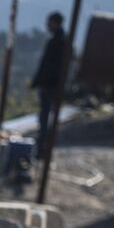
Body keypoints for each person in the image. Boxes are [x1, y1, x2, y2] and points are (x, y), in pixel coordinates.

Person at [31, 11, 67, 160]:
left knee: (45, 119)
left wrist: (41, 81)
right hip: (51, 85)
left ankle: (42, 150)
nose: (47, 25)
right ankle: (43, 149)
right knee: (46, 118)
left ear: (55, 23)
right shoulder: (59, 41)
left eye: (49, 22)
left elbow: (48, 66)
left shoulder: (58, 42)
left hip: (50, 86)